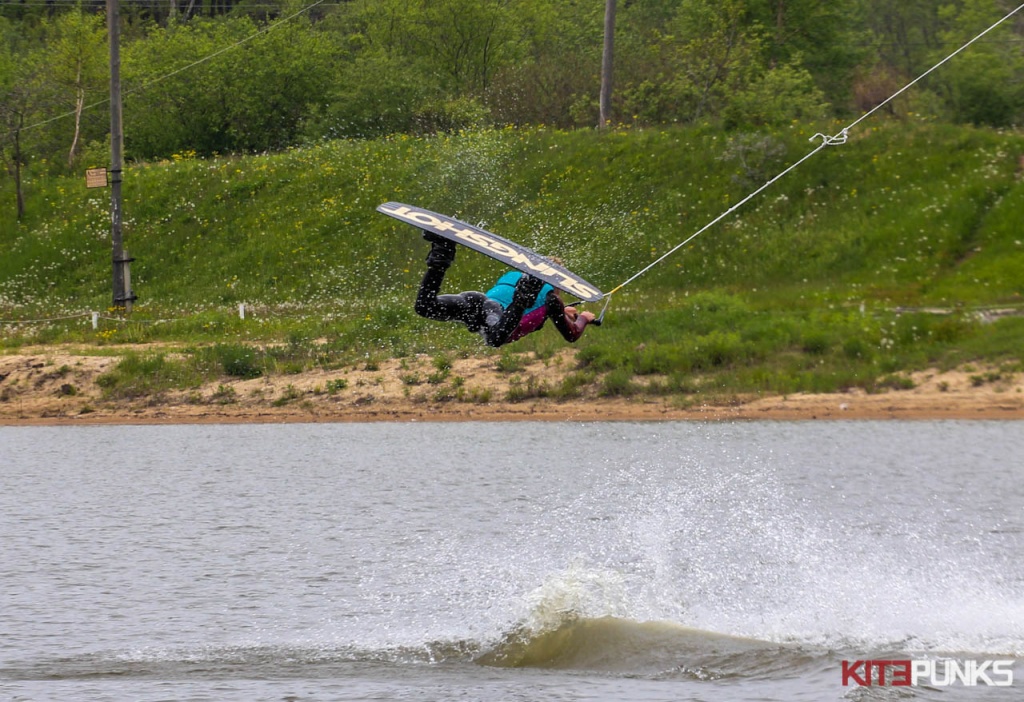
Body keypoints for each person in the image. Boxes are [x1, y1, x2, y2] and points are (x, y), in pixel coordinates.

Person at [414, 232, 595, 348]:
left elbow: (536, 312)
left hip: (477, 302)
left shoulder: (515, 276)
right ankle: (521, 300)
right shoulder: (551, 300)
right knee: (494, 338)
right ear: (558, 283)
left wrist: (562, 312)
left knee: (425, 306)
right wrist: (584, 319)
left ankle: (441, 256)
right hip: (494, 313)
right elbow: (572, 335)